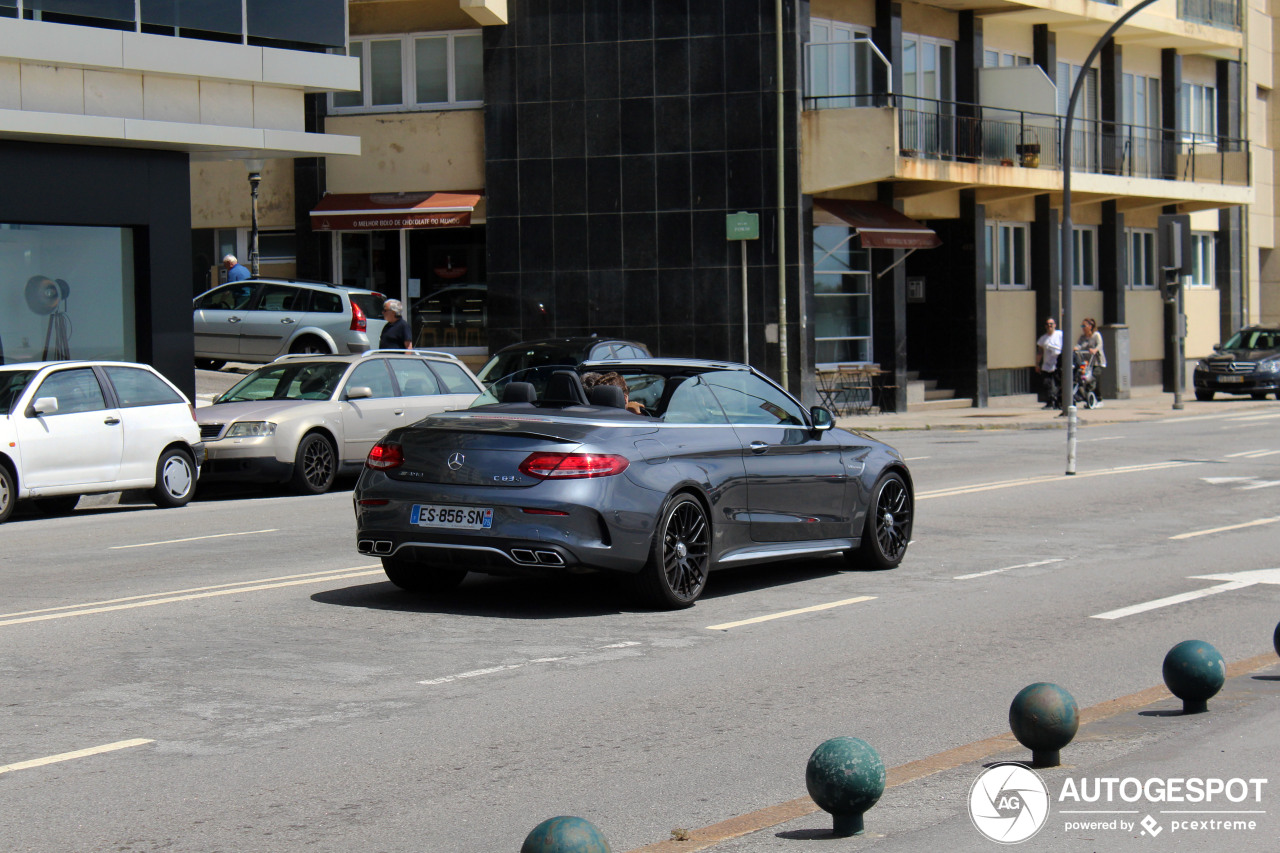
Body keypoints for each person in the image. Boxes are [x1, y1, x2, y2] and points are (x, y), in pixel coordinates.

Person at [1035, 317, 1062, 409]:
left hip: (1058, 364)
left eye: (1051, 324)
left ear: (1055, 325)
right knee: (1047, 383)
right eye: (1047, 324)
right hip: (1047, 365)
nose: (1049, 326)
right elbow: (1039, 352)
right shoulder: (1043, 339)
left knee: (1058, 384)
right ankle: (1050, 402)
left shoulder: (1060, 335)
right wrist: (1037, 364)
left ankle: (1058, 402)